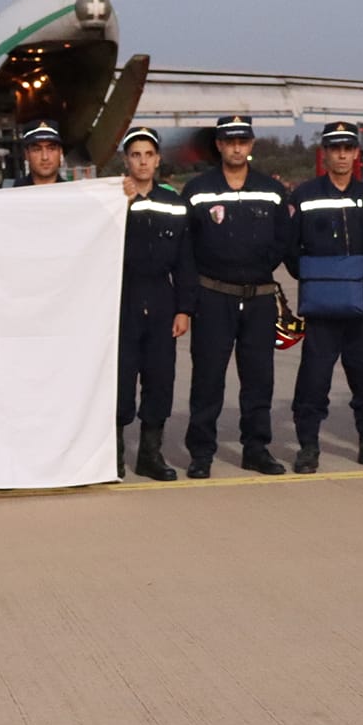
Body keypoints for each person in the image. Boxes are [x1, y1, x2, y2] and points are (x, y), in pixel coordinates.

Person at [181, 114, 292, 477]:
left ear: (252, 144)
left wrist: (260, 265)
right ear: (218, 145)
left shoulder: (272, 190)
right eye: (229, 141)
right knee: (208, 379)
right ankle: (201, 452)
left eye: (242, 140)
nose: (236, 147)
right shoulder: (197, 189)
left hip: (259, 298)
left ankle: (256, 449)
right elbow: (187, 247)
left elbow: (283, 240)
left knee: (259, 378)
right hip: (213, 297)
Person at [286, 121, 363, 473]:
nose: (342, 155)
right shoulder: (304, 196)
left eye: (348, 148)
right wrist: (315, 278)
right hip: (321, 306)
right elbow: (290, 248)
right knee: (314, 377)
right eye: (335, 148)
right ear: (325, 153)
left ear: (357, 153)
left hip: (361, 304)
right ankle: (308, 446)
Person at [113, 128, 194, 481]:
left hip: (162, 300)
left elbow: (186, 261)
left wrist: (184, 308)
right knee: (120, 382)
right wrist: (123, 203)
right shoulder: (113, 200)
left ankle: (150, 454)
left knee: (160, 380)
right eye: (135, 155)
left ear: (158, 159)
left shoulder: (174, 203)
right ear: (126, 160)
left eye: (148, 154)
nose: (143, 161)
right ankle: (112, 455)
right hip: (122, 299)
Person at [11, 121, 66, 187]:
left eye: (51, 149)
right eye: (37, 150)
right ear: (27, 154)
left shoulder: (72, 193)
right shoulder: (15, 193)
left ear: (60, 152)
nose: (45, 157)